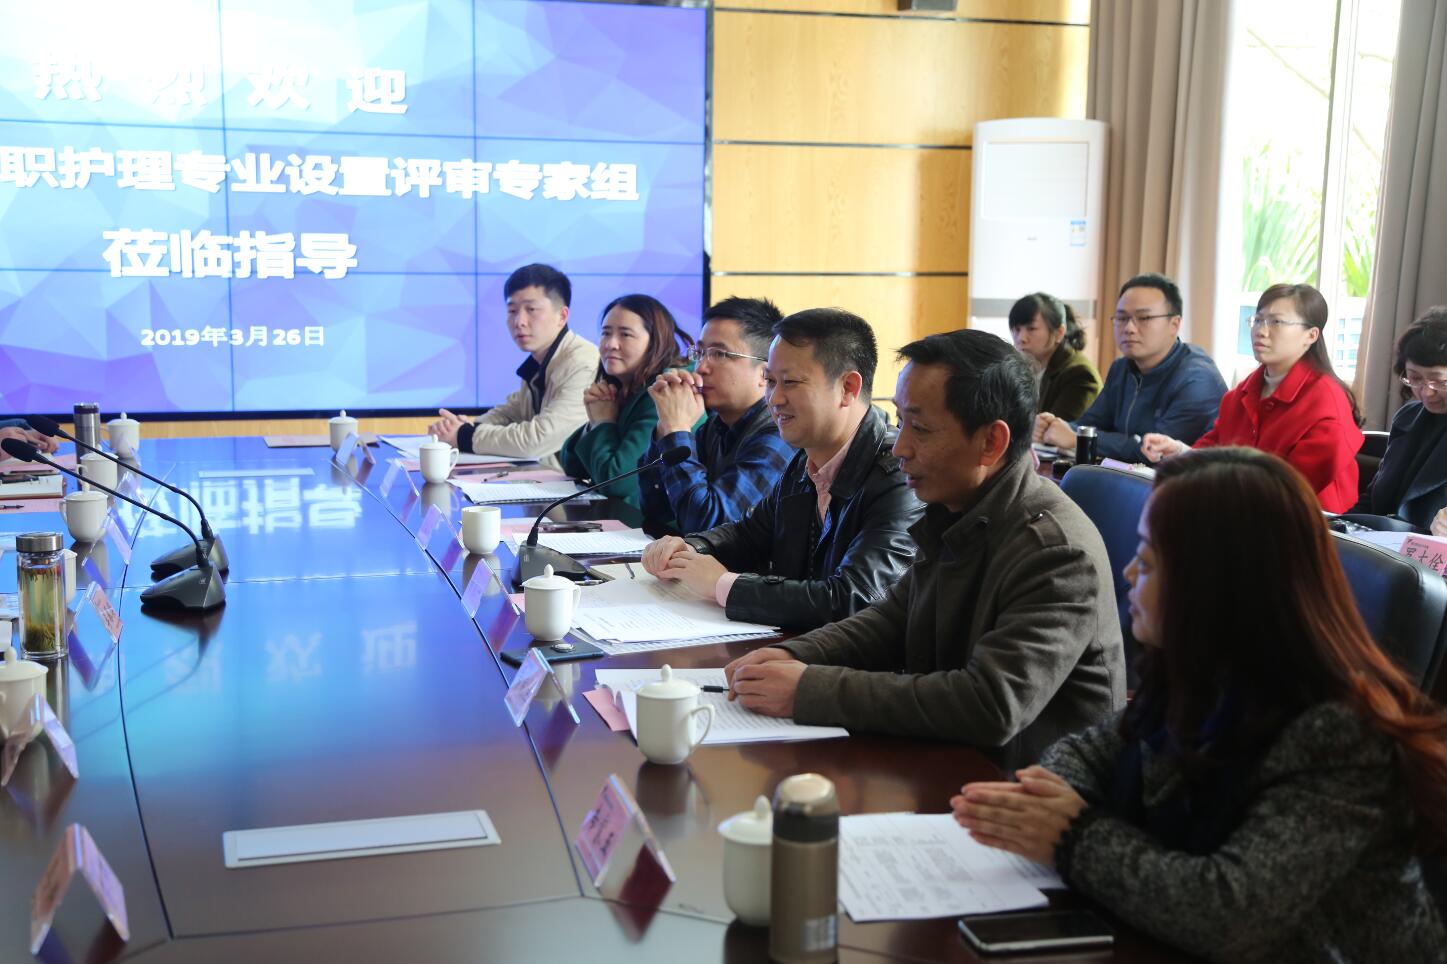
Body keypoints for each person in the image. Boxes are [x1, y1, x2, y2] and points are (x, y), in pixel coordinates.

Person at [950, 447, 1447, 962]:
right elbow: (1087, 753)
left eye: (1148, 560)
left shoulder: (1340, 735)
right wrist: (1047, 804)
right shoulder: (1199, 672)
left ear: (1214, 586)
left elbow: (1228, 913)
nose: (1128, 573)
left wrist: (1072, 834)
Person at [722, 329, 1126, 766]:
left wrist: (808, 690)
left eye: (920, 428)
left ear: (991, 442)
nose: (900, 448)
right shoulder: (956, 507)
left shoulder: (1056, 553)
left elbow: (989, 704)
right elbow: (891, 620)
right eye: (900, 421)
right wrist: (794, 654)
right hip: (950, 757)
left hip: (1022, 782)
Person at [640, 308, 921, 631]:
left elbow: (854, 598)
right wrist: (690, 548)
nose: (774, 399)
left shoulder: (898, 475)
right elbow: (747, 534)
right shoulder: (804, 461)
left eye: (790, 382)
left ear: (847, 388)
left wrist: (724, 585)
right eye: (771, 382)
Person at [1141, 283, 1364, 514]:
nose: (1261, 331)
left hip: (1305, 523)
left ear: (1311, 335)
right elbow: (1216, 452)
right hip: (1244, 512)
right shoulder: (1242, 394)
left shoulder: (1327, 402)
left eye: (1276, 322)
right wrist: (1179, 450)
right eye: (1258, 320)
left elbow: (1290, 488)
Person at [638, 296, 795, 534]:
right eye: (700, 353)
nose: (701, 367)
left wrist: (676, 430)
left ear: (765, 374)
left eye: (719, 354)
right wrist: (665, 429)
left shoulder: (779, 433)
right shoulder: (715, 427)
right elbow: (656, 509)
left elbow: (711, 526)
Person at [1035, 273, 1225, 462]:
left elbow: (1154, 452)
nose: (1129, 328)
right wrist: (1051, 427)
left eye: (1144, 318)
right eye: (1122, 318)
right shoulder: (1122, 368)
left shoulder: (1197, 379)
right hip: (1123, 475)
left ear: (1174, 324)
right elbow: (1090, 424)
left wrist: (1078, 437)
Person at [428, 264, 598, 468]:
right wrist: (464, 427)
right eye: (512, 310)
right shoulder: (540, 362)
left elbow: (538, 439)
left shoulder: (582, 362)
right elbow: (511, 412)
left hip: (581, 485)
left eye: (531, 310)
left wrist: (465, 436)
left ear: (562, 316)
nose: (519, 321)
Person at [558, 294, 695, 507]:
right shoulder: (625, 388)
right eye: (605, 333)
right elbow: (572, 464)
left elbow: (617, 482)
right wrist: (594, 423)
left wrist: (603, 423)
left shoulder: (664, 391)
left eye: (625, 334)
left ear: (655, 342)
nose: (611, 344)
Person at [1364, 306, 1447, 533]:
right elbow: (1373, 498)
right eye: (1415, 378)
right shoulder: (1407, 417)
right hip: (1385, 544)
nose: (1426, 392)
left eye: (1440, 381)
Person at [1008, 292, 1102, 420]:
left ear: (1059, 333)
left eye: (1031, 329)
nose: (1021, 338)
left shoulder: (1080, 374)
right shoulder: (1022, 368)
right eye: (1017, 329)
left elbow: (1056, 429)